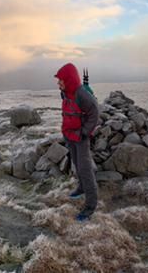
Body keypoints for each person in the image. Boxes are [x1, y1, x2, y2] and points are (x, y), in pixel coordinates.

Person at [55, 63, 101, 221]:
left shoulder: (82, 94)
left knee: (85, 168)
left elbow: (94, 113)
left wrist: (84, 132)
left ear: (69, 80)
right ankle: (81, 188)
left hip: (80, 138)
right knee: (76, 163)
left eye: (61, 80)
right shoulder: (65, 92)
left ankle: (90, 206)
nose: (58, 83)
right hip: (70, 136)